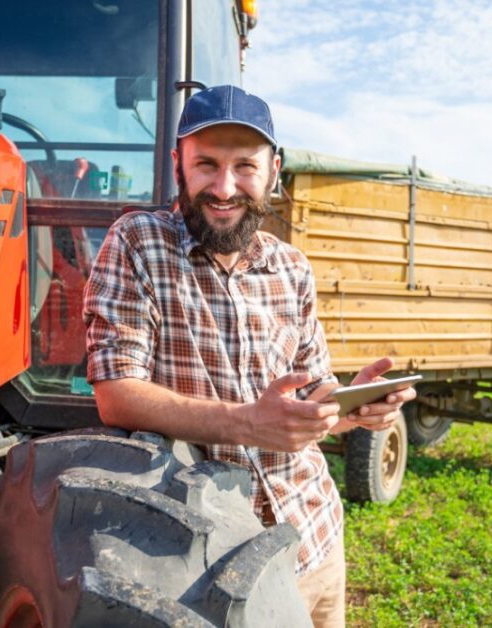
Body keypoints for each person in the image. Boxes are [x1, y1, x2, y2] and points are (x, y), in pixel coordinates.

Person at [83, 85, 416, 627]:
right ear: (178, 166)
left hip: (314, 537)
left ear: (273, 171)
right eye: (206, 165)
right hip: (204, 563)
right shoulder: (138, 243)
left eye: (245, 166)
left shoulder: (292, 268)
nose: (223, 187)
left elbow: (307, 394)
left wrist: (349, 407)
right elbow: (116, 395)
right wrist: (251, 424)